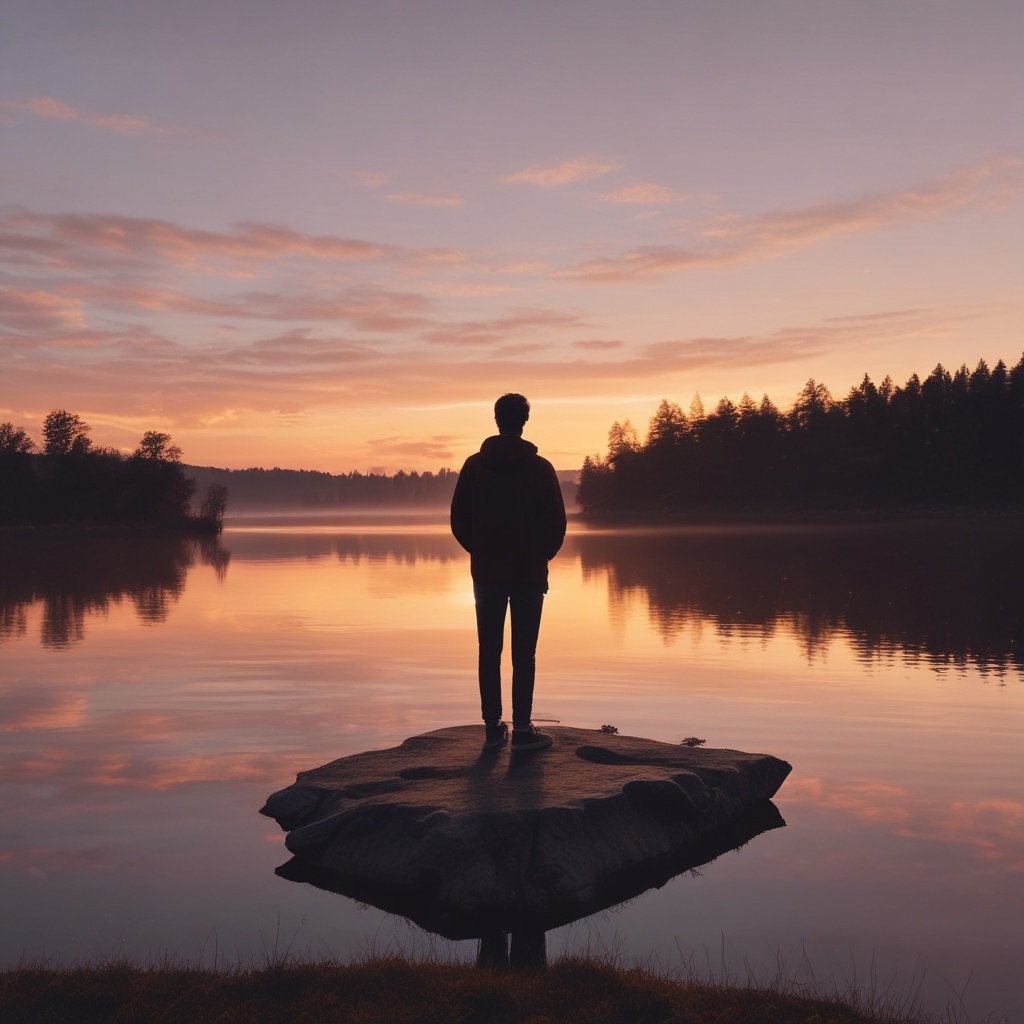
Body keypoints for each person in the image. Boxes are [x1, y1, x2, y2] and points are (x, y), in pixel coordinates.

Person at [450, 394, 567, 752]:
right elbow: (557, 523)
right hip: (529, 574)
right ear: (524, 421)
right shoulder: (541, 468)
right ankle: (523, 730)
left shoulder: (474, 466)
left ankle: (492, 728)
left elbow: (459, 520)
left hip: (487, 574)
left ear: (497, 419)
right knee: (524, 654)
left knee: (489, 650)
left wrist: (482, 551)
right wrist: (539, 556)